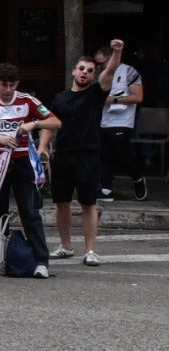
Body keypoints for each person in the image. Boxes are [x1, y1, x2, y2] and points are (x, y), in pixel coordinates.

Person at [0, 63, 62, 278]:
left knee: (29, 211)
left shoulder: (27, 101)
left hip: (22, 162)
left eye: (12, 85)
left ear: (17, 84)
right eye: (3, 85)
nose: (8, 90)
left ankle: (41, 261)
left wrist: (34, 125)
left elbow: (56, 121)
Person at [46, 40, 124, 266]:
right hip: (62, 155)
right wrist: (45, 150)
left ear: (93, 75)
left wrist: (117, 51)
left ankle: (90, 250)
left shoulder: (96, 93)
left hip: (87, 155)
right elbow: (52, 126)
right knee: (61, 202)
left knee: (88, 204)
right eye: (81, 69)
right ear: (73, 71)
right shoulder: (60, 98)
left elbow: (110, 70)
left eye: (90, 71)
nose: (85, 73)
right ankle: (65, 246)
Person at [96, 42, 147, 201]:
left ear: (111, 59)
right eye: (98, 63)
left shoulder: (129, 72)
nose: (101, 66)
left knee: (123, 153)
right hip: (103, 119)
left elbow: (138, 97)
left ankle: (138, 179)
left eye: (103, 62)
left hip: (122, 120)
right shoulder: (99, 73)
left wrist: (115, 100)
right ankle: (105, 189)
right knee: (104, 154)